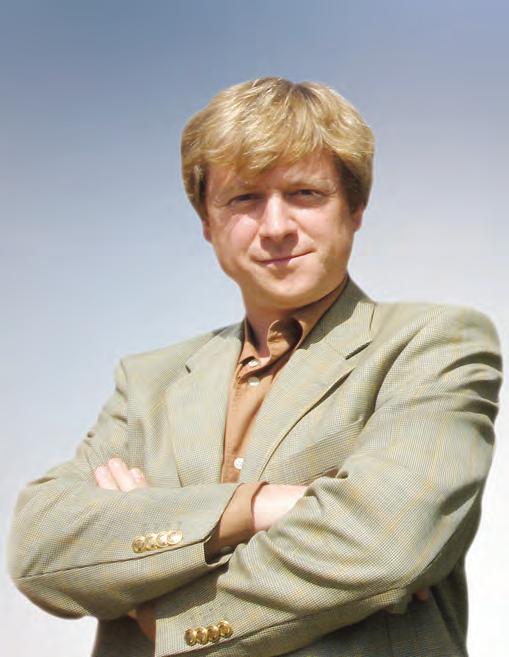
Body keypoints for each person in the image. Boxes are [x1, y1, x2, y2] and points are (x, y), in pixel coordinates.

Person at [8, 78, 502, 657]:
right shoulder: (147, 382)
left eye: (305, 194)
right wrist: (262, 505)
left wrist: (161, 609)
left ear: (355, 209)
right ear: (207, 222)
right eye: (243, 199)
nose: (275, 227)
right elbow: (40, 548)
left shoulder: (432, 342)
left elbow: (387, 542)